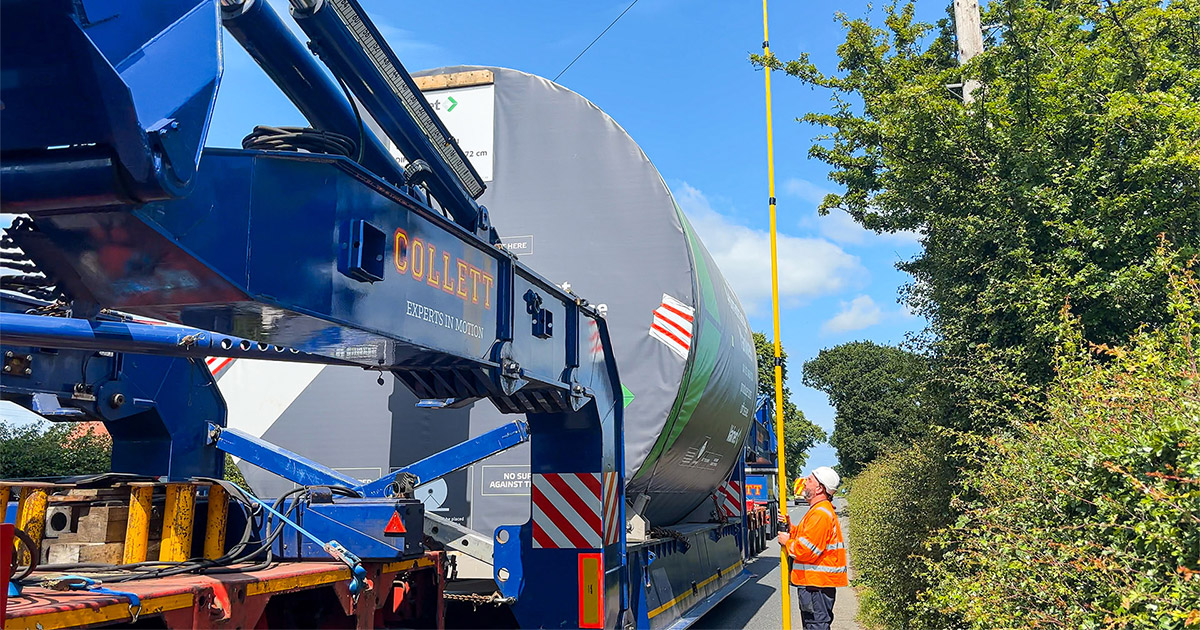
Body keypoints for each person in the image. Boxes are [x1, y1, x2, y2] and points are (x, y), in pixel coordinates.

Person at [777, 466, 847, 630]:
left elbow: (807, 550)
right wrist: (791, 528)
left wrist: (787, 542)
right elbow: (809, 538)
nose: (804, 483)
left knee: (816, 626)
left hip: (816, 587)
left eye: (809, 480)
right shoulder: (818, 511)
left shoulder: (820, 514)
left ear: (819, 488)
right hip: (816, 585)